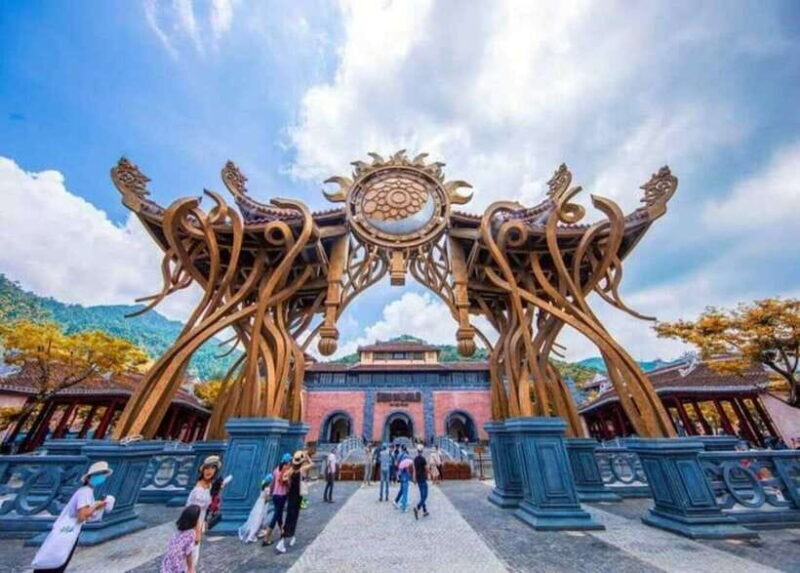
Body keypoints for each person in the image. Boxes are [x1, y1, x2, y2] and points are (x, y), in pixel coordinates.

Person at [32, 461, 113, 572]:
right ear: (88, 478)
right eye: (98, 474)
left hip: (69, 530)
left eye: (103, 474)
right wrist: (96, 505)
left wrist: (97, 506)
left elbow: (84, 513)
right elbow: (82, 516)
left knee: (57, 559)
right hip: (67, 530)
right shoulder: (85, 492)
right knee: (56, 560)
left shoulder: (86, 491)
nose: (101, 477)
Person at [185, 456, 220, 568]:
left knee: (193, 556)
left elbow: (209, 506)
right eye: (206, 468)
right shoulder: (198, 489)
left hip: (200, 521)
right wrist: (198, 532)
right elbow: (193, 512)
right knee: (189, 557)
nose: (209, 471)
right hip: (192, 524)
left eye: (212, 468)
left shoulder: (209, 485)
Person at [275, 450, 313, 554]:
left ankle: (291, 537)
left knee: (290, 517)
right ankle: (282, 541)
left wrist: (288, 481)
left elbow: (284, 477)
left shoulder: (291, 470)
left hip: (291, 496)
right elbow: (312, 464)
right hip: (298, 496)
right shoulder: (301, 470)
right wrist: (307, 457)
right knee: (292, 518)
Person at [262, 453, 292, 546]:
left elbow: (272, 484)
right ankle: (266, 537)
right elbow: (287, 484)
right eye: (290, 461)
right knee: (276, 516)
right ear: (287, 462)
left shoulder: (276, 470)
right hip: (281, 495)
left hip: (275, 495)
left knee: (278, 515)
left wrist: (270, 494)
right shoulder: (287, 470)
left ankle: (282, 531)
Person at [161, 504, 201, 572]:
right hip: (177, 566)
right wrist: (190, 568)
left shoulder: (179, 531)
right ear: (194, 520)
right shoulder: (190, 534)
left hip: (168, 564)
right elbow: (189, 553)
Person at [412, 444, 429, 519]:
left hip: (418, 478)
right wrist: (428, 475)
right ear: (422, 451)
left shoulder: (415, 459)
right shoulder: (423, 459)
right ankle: (417, 507)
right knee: (425, 495)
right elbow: (426, 469)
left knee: (422, 495)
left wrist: (414, 478)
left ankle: (425, 511)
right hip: (423, 478)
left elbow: (414, 470)